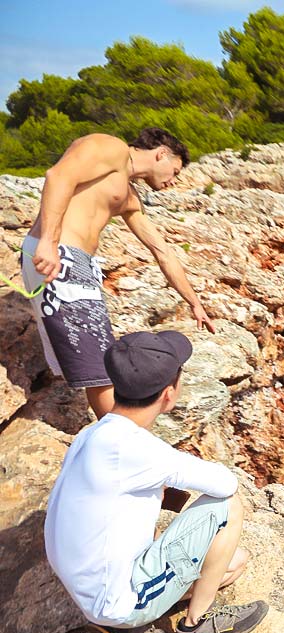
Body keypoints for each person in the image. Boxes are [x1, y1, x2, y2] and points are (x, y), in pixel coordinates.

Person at [44, 330, 267, 633]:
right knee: (231, 535)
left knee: (222, 563)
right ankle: (195, 626)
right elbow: (225, 485)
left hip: (79, 582)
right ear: (168, 394)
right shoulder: (142, 451)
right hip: (113, 603)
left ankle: (127, 615)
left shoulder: (91, 434)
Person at [20, 127, 216, 420]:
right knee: (100, 366)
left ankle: (119, 433)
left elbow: (162, 252)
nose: (173, 181)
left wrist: (194, 302)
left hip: (81, 264)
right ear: (161, 154)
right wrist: (49, 242)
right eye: (174, 170)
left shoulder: (128, 194)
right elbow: (58, 176)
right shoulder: (109, 147)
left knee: (100, 358)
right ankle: (120, 437)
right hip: (61, 255)